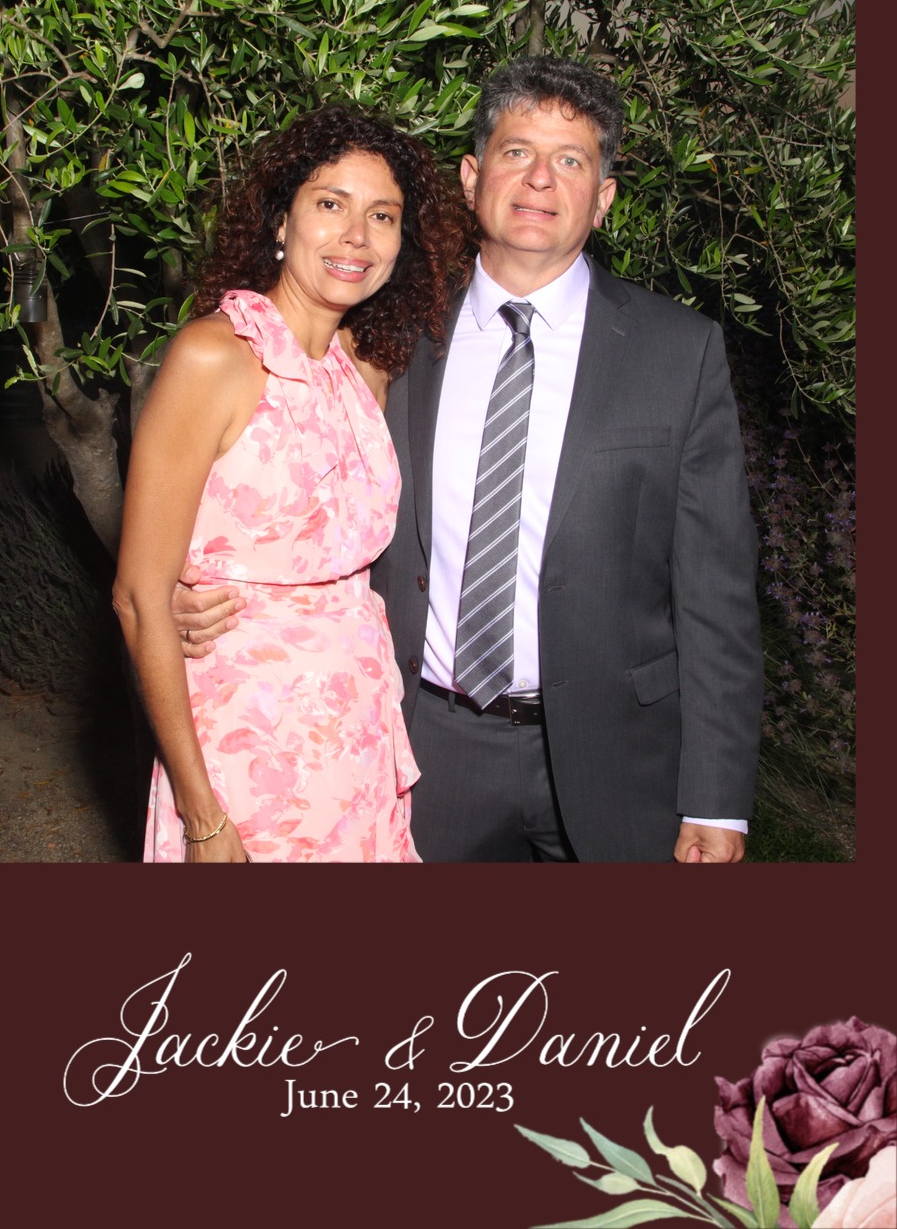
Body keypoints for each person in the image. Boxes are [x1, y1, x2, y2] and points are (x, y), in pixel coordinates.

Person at [173, 58, 764, 864]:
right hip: (422, 747)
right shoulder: (381, 335)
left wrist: (718, 800)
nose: (540, 179)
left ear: (604, 198)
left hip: (618, 758)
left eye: (570, 160)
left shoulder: (679, 354)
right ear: (471, 177)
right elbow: (278, 488)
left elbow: (717, 597)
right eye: (517, 151)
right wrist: (196, 587)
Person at [113, 105, 469, 862]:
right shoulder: (214, 357)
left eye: (383, 215)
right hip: (243, 748)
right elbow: (140, 598)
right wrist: (202, 816)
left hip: (359, 738)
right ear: (282, 220)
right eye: (331, 204)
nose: (357, 235)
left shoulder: (364, 368)